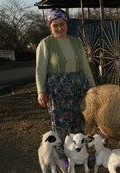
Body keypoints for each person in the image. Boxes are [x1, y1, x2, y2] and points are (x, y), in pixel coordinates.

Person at [35, 8, 95, 158]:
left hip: (79, 86)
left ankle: (81, 153)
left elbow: (85, 66)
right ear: (50, 26)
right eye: (55, 25)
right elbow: (40, 69)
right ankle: (63, 156)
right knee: (62, 123)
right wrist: (41, 90)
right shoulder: (46, 44)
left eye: (62, 24)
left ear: (67, 24)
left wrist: (92, 86)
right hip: (58, 89)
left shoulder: (76, 42)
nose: (60, 28)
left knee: (80, 119)